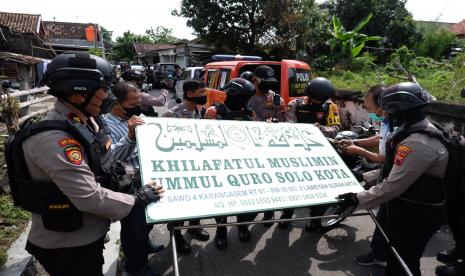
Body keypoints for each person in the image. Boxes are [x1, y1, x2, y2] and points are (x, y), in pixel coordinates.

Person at [15, 52, 163, 276]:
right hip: (68, 243)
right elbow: (88, 196)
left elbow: (108, 159)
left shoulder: (88, 121)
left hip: (89, 231)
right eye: (103, 89)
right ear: (78, 92)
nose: (108, 95)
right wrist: (136, 198)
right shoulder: (54, 140)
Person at [337, 82, 448, 276]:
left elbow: (392, 186)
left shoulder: (416, 143)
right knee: (396, 248)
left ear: (400, 111)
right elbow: (395, 167)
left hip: (423, 211)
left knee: (405, 258)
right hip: (412, 200)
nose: (384, 115)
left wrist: (357, 199)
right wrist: (368, 175)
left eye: (388, 111)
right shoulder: (409, 129)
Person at [105, 81, 165, 275]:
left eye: (139, 102)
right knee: (134, 228)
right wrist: (130, 136)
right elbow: (111, 159)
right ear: (116, 103)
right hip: (129, 184)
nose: (138, 108)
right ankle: (136, 267)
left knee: (149, 218)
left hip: (148, 177)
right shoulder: (105, 125)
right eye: (132, 105)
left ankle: (145, 243)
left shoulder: (140, 117)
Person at [279, 77, 341, 230]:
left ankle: (314, 218)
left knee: (319, 188)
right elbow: (289, 128)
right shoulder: (295, 104)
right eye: (316, 99)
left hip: (321, 154)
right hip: (296, 153)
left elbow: (335, 130)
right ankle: (286, 214)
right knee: (293, 185)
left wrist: (320, 129)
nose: (318, 102)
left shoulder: (331, 107)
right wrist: (307, 131)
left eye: (322, 100)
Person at [203, 78, 256, 249]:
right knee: (223, 200)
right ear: (233, 95)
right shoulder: (213, 112)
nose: (246, 101)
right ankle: (221, 229)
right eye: (244, 97)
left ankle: (242, 225)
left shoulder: (249, 113)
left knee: (245, 199)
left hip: (243, 164)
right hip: (219, 163)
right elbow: (204, 138)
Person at [162, 79, 210, 254]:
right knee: (179, 205)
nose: (204, 96)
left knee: (197, 200)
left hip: (199, 165)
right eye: (201, 93)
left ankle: (194, 226)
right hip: (179, 168)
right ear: (189, 94)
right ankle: (177, 235)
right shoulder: (171, 115)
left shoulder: (202, 112)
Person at [246, 65, 285, 226]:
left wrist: (275, 123)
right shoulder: (246, 97)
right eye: (265, 81)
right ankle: (248, 215)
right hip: (249, 147)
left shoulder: (277, 99)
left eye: (271, 82)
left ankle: (269, 213)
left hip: (270, 149)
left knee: (270, 182)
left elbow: (283, 122)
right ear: (255, 80)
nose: (268, 85)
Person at [338, 85, 388, 164]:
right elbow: (380, 138)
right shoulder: (387, 122)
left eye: (369, 108)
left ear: (381, 107)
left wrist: (360, 151)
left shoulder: (399, 128)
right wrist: (354, 142)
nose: (368, 112)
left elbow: (387, 160)